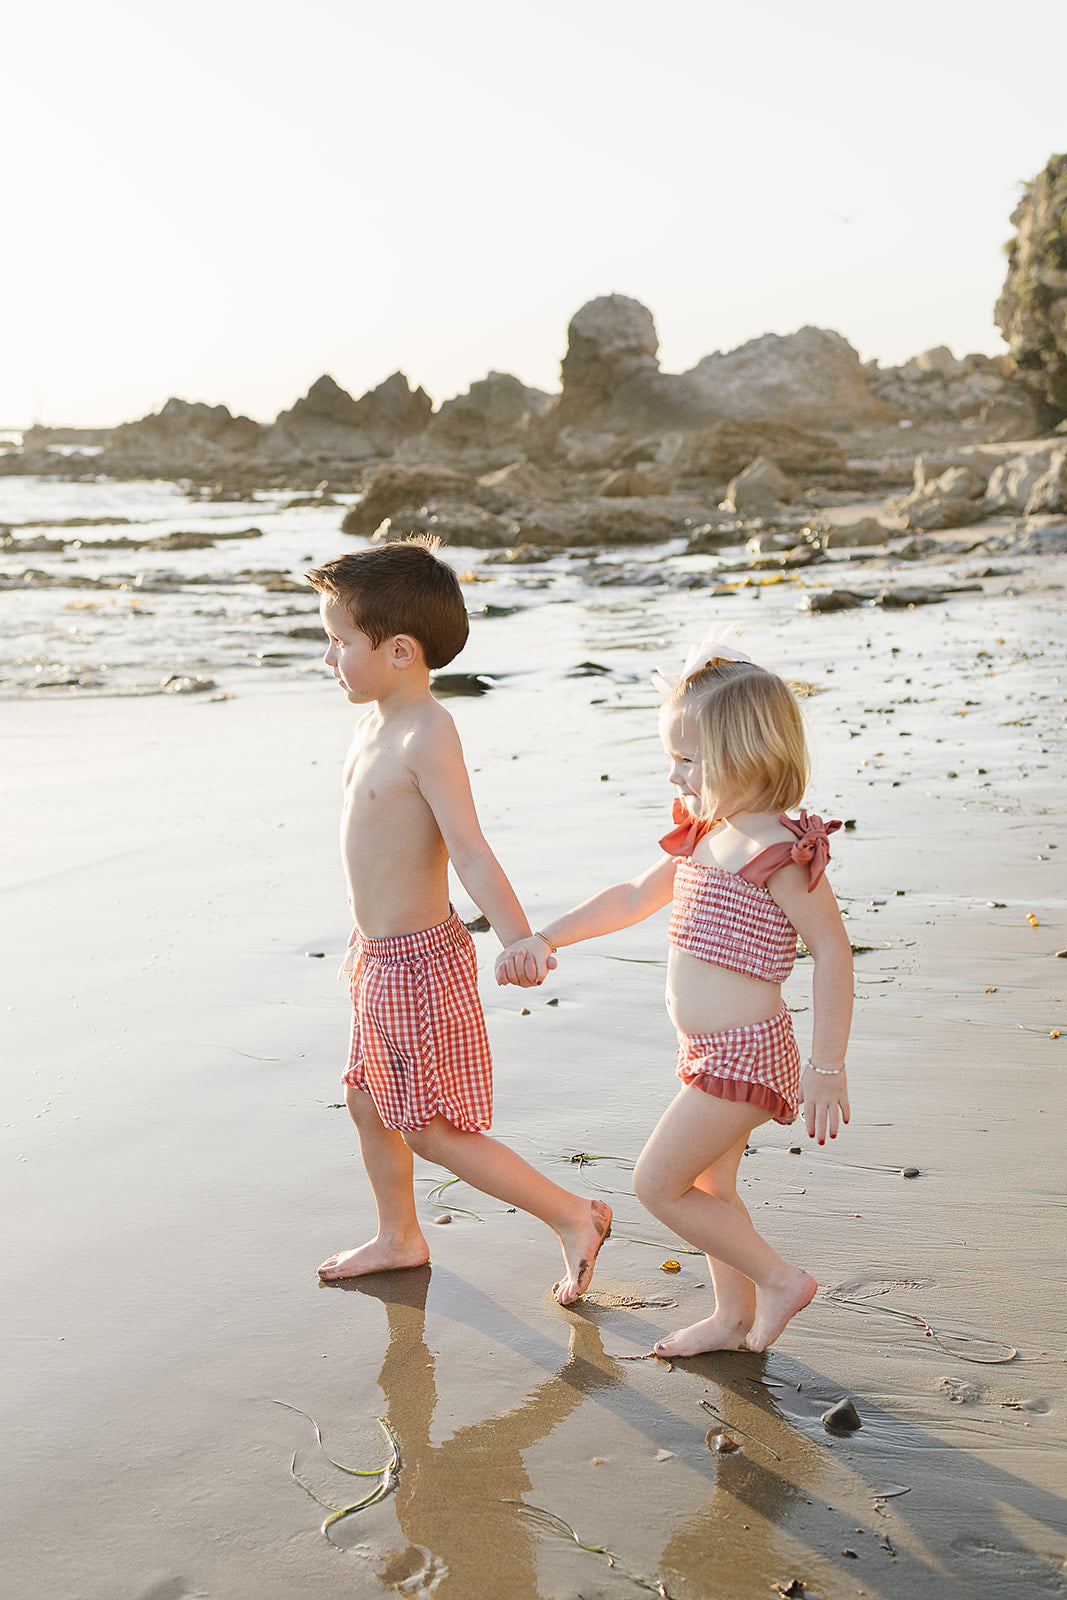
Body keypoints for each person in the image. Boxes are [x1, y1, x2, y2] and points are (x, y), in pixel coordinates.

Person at [496, 639, 853, 1354]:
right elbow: (629, 898)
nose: (672, 773)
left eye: (687, 761)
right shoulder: (702, 836)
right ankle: (730, 1318)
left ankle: (780, 1281)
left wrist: (825, 1066)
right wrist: (547, 938)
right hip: (707, 1053)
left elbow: (832, 954)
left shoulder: (778, 853)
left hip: (748, 1058)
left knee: (657, 1185)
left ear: (746, 753)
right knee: (710, 1192)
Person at [305, 536, 611, 1305]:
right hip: (374, 956)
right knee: (366, 1097)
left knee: (430, 1126)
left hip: (415, 962)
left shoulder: (427, 733)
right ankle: (399, 1235)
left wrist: (517, 936)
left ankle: (573, 1214)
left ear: (401, 649)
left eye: (340, 642)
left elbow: (468, 849)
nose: (328, 657)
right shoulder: (374, 721)